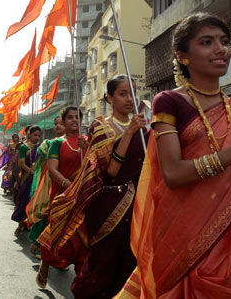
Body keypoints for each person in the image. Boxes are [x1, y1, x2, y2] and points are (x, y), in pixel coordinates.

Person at [116, 13, 231, 298]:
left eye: (224, 42)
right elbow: (173, 174)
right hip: (184, 239)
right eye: (206, 42)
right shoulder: (169, 101)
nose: (220, 49)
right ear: (183, 56)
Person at [49, 75, 148, 299]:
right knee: (104, 260)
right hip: (108, 203)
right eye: (122, 94)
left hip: (137, 202)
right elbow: (112, 170)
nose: (129, 100)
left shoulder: (143, 127)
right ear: (109, 98)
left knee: (129, 260)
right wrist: (130, 132)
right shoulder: (100, 126)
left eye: (131, 94)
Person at [36, 107, 88, 289]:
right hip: (62, 198)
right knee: (58, 235)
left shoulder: (87, 142)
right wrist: (69, 186)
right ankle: (46, 262)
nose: (74, 120)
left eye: (77, 118)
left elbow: (98, 166)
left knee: (82, 238)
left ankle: (81, 280)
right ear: (64, 122)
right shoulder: (58, 143)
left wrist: (87, 149)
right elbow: (52, 170)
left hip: (83, 198)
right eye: (70, 118)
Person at [27, 117, 65, 257]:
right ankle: (39, 245)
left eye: (61, 123)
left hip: (67, 183)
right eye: (56, 124)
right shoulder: (48, 144)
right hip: (49, 182)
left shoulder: (76, 143)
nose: (58, 126)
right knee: (45, 212)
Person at [12, 125, 42, 237]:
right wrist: (31, 172)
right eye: (35, 135)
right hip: (26, 178)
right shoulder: (23, 147)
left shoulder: (41, 148)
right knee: (23, 201)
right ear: (29, 135)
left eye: (39, 135)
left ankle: (28, 223)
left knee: (33, 202)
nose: (37, 138)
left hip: (37, 179)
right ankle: (20, 225)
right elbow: (22, 164)